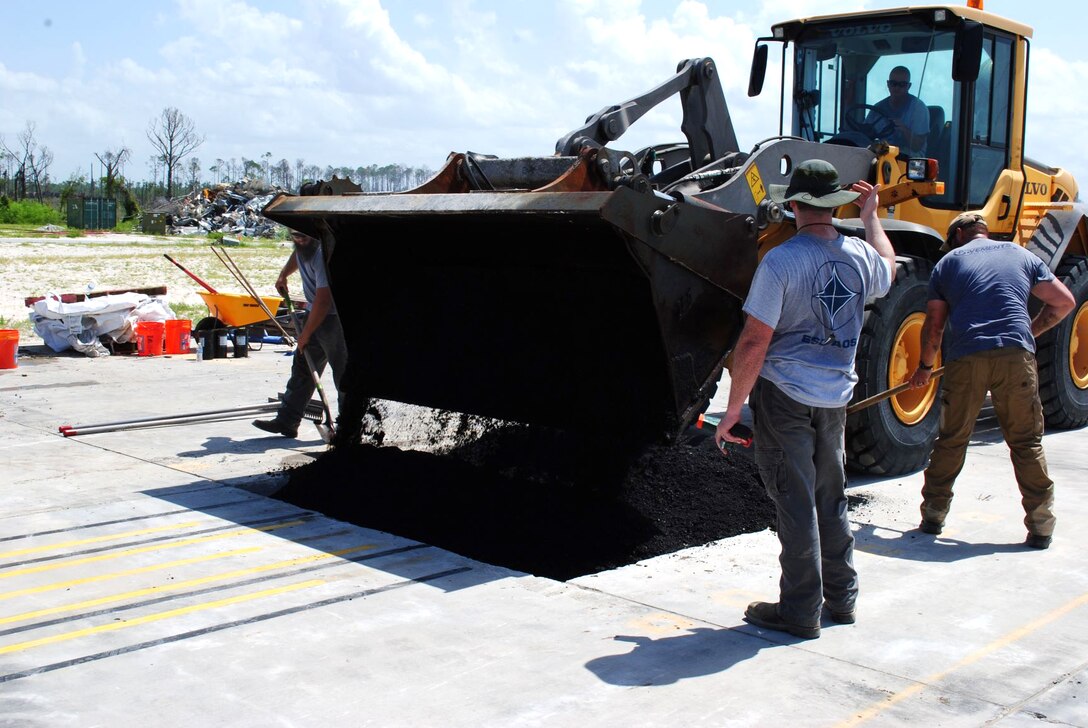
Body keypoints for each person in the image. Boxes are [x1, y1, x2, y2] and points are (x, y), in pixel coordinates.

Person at [714, 159, 896, 640]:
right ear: (833, 206)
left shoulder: (781, 261)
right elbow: (889, 270)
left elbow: (754, 341)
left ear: (793, 205)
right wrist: (872, 215)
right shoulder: (859, 255)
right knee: (830, 495)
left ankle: (799, 610)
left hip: (786, 395)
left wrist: (734, 409)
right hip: (835, 395)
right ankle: (842, 598)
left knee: (795, 501)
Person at [908, 212, 1075, 549]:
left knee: (952, 440)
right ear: (984, 231)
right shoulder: (1022, 254)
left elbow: (935, 326)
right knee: (1026, 442)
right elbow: (1064, 302)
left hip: (966, 357)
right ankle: (1041, 524)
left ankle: (934, 514)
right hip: (1016, 357)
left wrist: (925, 367)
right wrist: (1029, 330)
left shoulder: (948, 263)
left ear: (957, 235)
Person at [252, 229, 348, 439]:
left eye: (304, 236)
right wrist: (283, 274)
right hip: (313, 314)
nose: (300, 241)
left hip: (333, 319)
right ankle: (287, 421)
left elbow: (324, 301)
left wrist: (305, 334)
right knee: (303, 368)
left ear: (314, 236)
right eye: (295, 237)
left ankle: (348, 428)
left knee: (343, 376)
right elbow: (298, 254)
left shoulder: (321, 254)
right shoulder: (304, 248)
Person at [865, 66, 930, 156]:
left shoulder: (918, 109)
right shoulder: (878, 108)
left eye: (902, 84)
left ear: (909, 86)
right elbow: (864, 135)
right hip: (879, 157)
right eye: (893, 83)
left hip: (909, 162)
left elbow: (917, 146)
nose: (897, 88)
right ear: (888, 84)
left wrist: (903, 129)